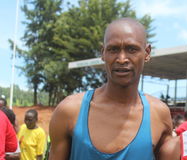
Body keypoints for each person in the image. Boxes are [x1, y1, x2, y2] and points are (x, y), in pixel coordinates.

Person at [49, 18, 173, 160]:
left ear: (147, 53)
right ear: (103, 53)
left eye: (131, 49)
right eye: (113, 49)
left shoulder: (158, 114)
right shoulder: (70, 111)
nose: (121, 59)